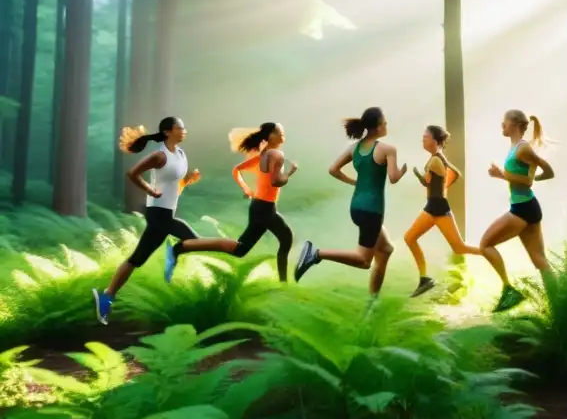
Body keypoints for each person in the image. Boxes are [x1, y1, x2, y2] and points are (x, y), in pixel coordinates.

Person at [92, 117, 201, 325]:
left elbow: (174, 186)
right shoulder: (159, 155)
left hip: (167, 212)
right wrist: (150, 189)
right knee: (193, 239)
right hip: (157, 212)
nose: (184, 130)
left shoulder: (180, 154)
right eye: (181, 127)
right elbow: (133, 174)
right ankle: (175, 252)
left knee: (137, 258)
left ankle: (107, 296)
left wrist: (188, 180)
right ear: (168, 132)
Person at [293, 107, 405, 297]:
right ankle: (316, 254)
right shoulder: (387, 149)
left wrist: (354, 181)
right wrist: (402, 171)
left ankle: (373, 302)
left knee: (385, 249)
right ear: (377, 127)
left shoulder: (354, 148)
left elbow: (333, 169)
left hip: (357, 207)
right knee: (363, 261)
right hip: (372, 211)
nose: (386, 125)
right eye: (384, 122)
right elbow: (393, 178)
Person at [166, 122, 297, 283]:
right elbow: (277, 182)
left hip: (260, 206)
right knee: (285, 239)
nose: (282, 134)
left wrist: (247, 190)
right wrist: (290, 172)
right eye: (279, 132)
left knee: (241, 249)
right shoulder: (276, 155)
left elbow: (237, 170)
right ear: (269, 136)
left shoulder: (264, 155)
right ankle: (284, 283)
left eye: (282, 132)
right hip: (265, 208)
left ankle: (182, 247)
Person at [479, 110, 555, 312]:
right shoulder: (517, 147)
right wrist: (522, 174)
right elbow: (535, 172)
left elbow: (540, 175)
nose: (501, 125)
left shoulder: (523, 149)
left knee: (485, 245)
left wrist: (502, 175)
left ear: (514, 124)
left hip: (523, 208)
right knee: (540, 261)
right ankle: (559, 303)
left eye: (504, 122)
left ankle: (509, 290)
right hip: (526, 206)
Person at [402, 125, 481, 298]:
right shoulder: (438, 158)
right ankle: (424, 279)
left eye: (426, 137)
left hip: (436, 207)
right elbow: (456, 174)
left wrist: (418, 175)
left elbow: (426, 182)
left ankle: (487, 251)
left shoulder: (435, 160)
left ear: (435, 141)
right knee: (410, 238)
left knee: (459, 247)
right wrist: (442, 187)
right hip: (434, 205)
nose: (423, 140)